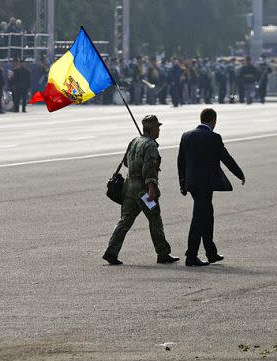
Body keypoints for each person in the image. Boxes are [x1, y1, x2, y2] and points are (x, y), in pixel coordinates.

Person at [103, 115, 178, 266]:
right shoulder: (150, 145)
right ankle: (163, 253)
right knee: (155, 219)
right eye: (157, 127)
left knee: (124, 221)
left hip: (129, 188)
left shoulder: (134, 141)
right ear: (151, 129)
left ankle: (111, 252)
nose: (159, 130)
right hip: (143, 191)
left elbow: (126, 162)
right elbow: (149, 169)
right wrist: (151, 189)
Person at [177, 108, 245, 266]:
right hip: (206, 184)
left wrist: (183, 184)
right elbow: (226, 158)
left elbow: (181, 162)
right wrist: (239, 174)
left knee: (207, 215)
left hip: (192, 184)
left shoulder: (186, 136)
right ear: (213, 120)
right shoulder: (213, 137)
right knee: (199, 218)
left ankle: (211, 252)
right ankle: (191, 255)